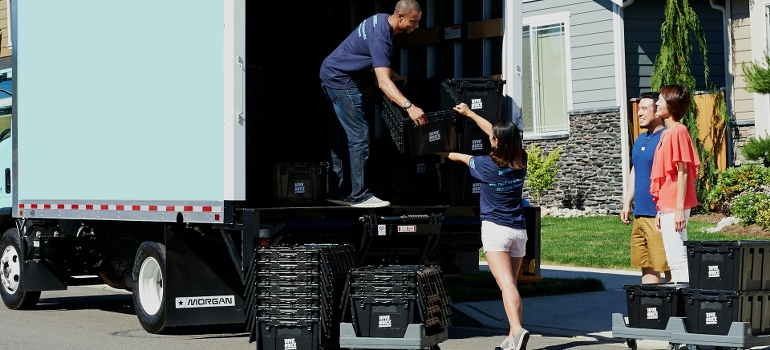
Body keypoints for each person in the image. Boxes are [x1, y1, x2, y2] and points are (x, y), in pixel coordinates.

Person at [438, 103, 529, 350]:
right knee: (511, 284)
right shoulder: (521, 159)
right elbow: (498, 134)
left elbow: (458, 156)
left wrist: (439, 151)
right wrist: (470, 114)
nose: (490, 138)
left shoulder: (485, 165)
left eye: (493, 138)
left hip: (496, 231)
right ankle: (512, 337)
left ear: (497, 142)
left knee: (506, 284)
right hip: (518, 231)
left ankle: (518, 329)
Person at [320, 0, 427, 208]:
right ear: (399, 17)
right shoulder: (382, 39)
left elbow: (369, 54)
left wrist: (392, 73)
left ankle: (338, 192)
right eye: (413, 21)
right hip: (340, 80)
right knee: (359, 135)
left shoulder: (379, 20)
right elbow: (383, 84)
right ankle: (360, 196)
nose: (416, 26)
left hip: (330, 72)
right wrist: (410, 107)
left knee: (341, 134)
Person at [650, 84, 701, 283]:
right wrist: (660, 210)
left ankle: (685, 303)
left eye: (661, 100)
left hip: (676, 205)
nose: (657, 102)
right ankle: (677, 303)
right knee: (672, 258)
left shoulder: (679, 130)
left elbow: (683, 171)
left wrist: (679, 208)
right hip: (667, 206)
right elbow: (665, 175)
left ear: (671, 106)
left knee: (679, 258)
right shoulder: (665, 133)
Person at [621, 92, 672, 284]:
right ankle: (653, 309)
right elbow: (636, 170)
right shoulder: (641, 139)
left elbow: (671, 176)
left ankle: (676, 309)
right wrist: (627, 202)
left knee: (667, 266)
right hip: (640, 214)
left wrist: (663, 209)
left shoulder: (666, 137)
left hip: (658, 215)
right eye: (638, 109)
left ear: (657, 111)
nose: (639, 113)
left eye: (644, 109)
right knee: (647, 265)